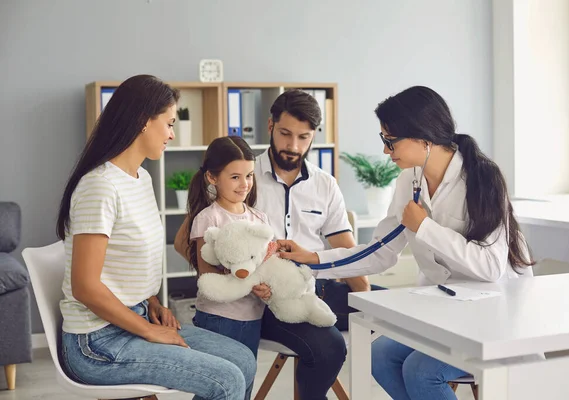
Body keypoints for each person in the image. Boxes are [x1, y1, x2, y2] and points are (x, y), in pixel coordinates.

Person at [277, 86, 535, 400]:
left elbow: (491, 267)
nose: (386, 151)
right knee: (379, 356)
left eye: (390, 140)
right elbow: (381, 251)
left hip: (492, 313)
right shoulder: (409, 180)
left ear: (424, 138)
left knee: (420, 372)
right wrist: (313, 259)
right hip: (445, 309)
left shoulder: (484, 179)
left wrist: (424, 227)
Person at [56, 74, 255, 400]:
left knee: (243, 361)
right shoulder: (100, 187)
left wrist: (151, 304)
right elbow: (85, 286)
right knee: (226, 380)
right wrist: (148, 330)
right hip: (96, 341)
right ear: (143, 121)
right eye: (169, 123)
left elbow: (121, 266)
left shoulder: (140, 179)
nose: (173, 134)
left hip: (134, 317)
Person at [175, 89, 378, 399]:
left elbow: (347, 254)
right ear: (270, 126)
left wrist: (367, 299)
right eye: (285, 134)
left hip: (313, 286)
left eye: (304, 137)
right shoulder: (241, 174)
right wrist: (236, 276)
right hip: (263, 301)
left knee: (395, 312)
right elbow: (184, 242)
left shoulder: (325, 184)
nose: (293, 146)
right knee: (329, 346)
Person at [183, 135, 271, 360]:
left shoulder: (259, 219)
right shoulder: (208, 218)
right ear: (212, 177)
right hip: (218, 317)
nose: (245, 184)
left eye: (249, 176)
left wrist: (267, 287)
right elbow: (206, 273)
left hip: (252, 317)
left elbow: (267, 265)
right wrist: (249, 283)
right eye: (235, 177)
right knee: (223, 386)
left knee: (245, 382)